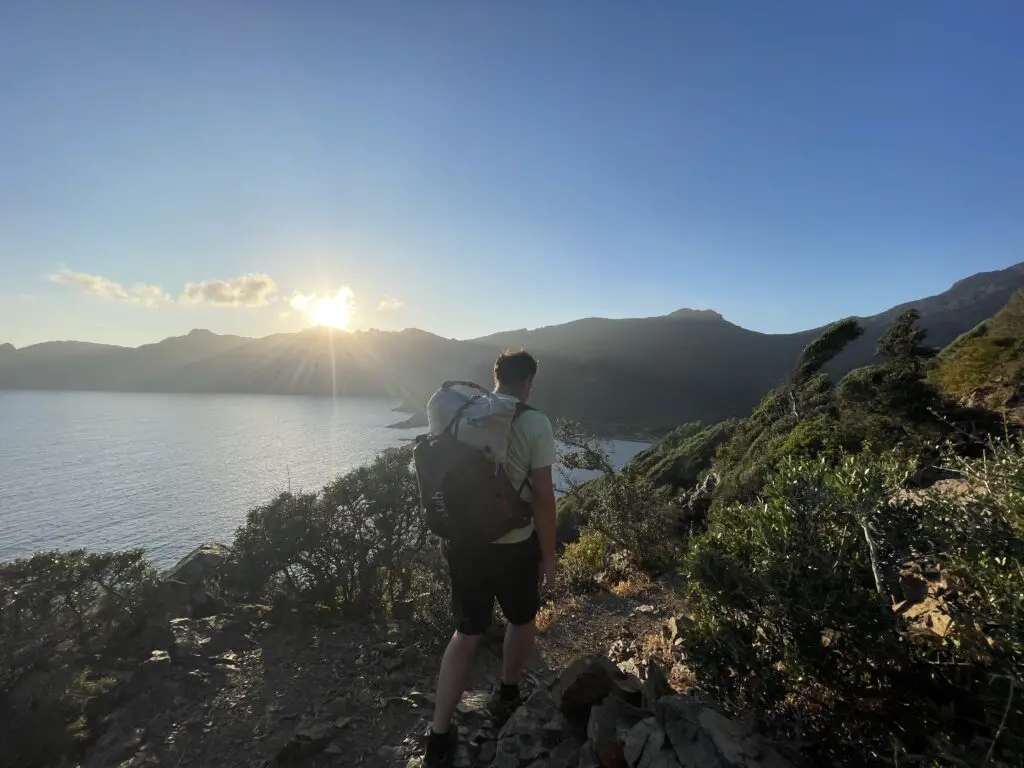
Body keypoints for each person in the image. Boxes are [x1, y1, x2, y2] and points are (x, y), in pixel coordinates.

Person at [422, 349, 558, 767]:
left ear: (494, 377)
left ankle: (439, 734)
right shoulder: (535, 422)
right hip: (515, 545)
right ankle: (508, 691)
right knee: (521, 619)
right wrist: (549, 556)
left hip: (464, 546)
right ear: (529, 381)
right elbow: (543, 497)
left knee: (466, 634)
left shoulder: (460, 416)